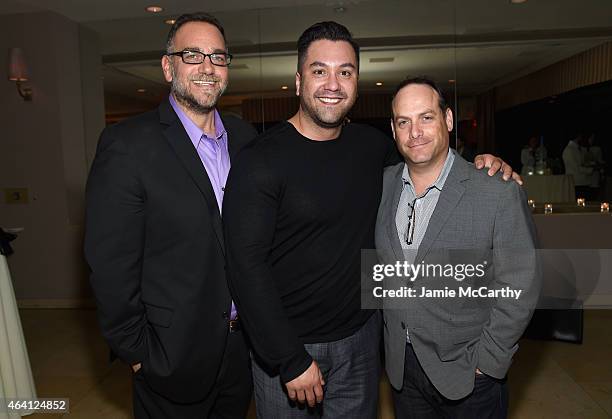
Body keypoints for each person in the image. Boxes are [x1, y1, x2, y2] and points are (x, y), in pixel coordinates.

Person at [223, 21, 518, 419]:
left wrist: (481, 163)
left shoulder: (373, 147)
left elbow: (430, 163)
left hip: (362, 342)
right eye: (319, 70)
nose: (333, 83)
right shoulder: (259, 159)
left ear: (357, 83)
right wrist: (288, 358)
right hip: (290, 350)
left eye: (345, 72)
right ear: (298, 81)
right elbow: (245, 267)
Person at [84, 12, 257, 419]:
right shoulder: (127, 146)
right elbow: (110, 265)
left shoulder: (246, 140)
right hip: (169, 358)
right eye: (192, 55)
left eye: (217, 57)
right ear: (168, 66)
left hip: (242, 353)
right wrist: (138, 353)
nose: (207, 68)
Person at [376, 77, 540, 418]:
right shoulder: (382, 185)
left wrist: (489, 362)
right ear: (393, 130)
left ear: (448, 120)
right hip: (402, 370)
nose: (415, 132)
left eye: (426, 117)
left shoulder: (496, 190)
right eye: (403, 122)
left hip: (469, 375)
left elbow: (520, 285)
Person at [562, 134, 593, 199]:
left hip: (583, 182)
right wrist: (592, 169)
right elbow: (576, 168)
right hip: (576, 183)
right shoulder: (569, 150)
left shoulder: (577, 148)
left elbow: (581, 164)